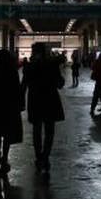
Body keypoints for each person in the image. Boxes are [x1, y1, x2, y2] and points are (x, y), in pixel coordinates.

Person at [21, 42, 65, 175]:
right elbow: (60, 84)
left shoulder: (29, 66)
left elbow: (23, 85)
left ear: (33, 52)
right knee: (49, 131)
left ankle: (38, 157)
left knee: (36, 130)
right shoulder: (52, 65)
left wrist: (21, 101)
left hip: (35, 101)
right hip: (50, 100)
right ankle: (46, 156)